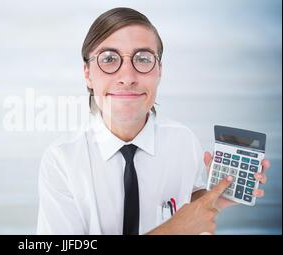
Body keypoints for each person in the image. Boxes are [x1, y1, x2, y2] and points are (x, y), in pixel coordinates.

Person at [36, 7, 270, 235]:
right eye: (108, 59)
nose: (127, 78)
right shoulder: (61, 160)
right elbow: (180, 227)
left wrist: (211, 200)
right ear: (87, 73)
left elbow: (184, 215)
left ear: (159, 70)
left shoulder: (183, 141)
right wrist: (174, 230)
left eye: (143, 59)